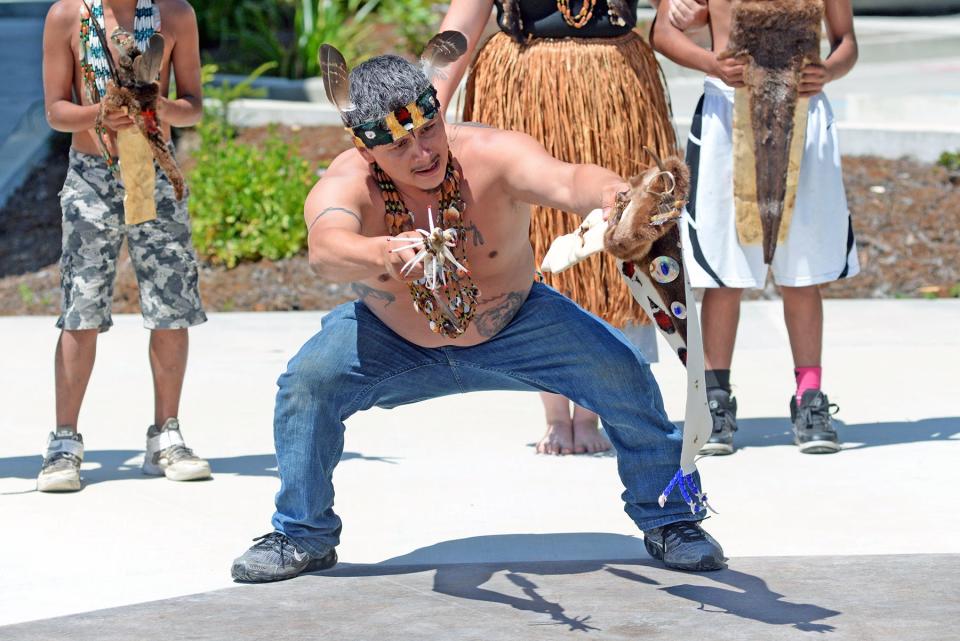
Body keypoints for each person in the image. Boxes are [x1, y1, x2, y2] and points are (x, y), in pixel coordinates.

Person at [230, 52, 725, 583]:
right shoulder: (348, 180)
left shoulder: (492, 154)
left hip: (518, 325)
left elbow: (566, 180)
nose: (422, 153)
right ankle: (302, 532)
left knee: (621, 370)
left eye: (429, 131)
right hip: (393, 338)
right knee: (308, 383)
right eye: (398, 145)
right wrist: (385, 254)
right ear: (366, 147)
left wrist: (614, 197)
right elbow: (326, 248)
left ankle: (672, 519)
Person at [431, 0, 679, 455]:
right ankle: (553, 409)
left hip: (616, 89)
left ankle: (591, 409)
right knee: (535, 235)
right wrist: (426, 113)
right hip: (525, 84)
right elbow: (462, 22)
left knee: (613, 235)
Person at [651, 0, 859, 455]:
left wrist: (827, 70)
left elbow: (846, 42)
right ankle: (714, 400)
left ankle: (810, 397)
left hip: (802, 113)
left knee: (801, 273)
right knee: (725, 273)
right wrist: (710, 61)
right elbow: (664, 31)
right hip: (728, 114)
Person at [38, 0, 210, 492]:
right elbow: (56, 110)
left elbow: (193, 104)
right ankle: (64, 442)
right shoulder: (67, 15)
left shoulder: (175, 14)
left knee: (171, 304)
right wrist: (100, 113)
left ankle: (166, 435)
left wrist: (155, 106)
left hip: (152, 170)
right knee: (81, 308)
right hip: (92, 177)